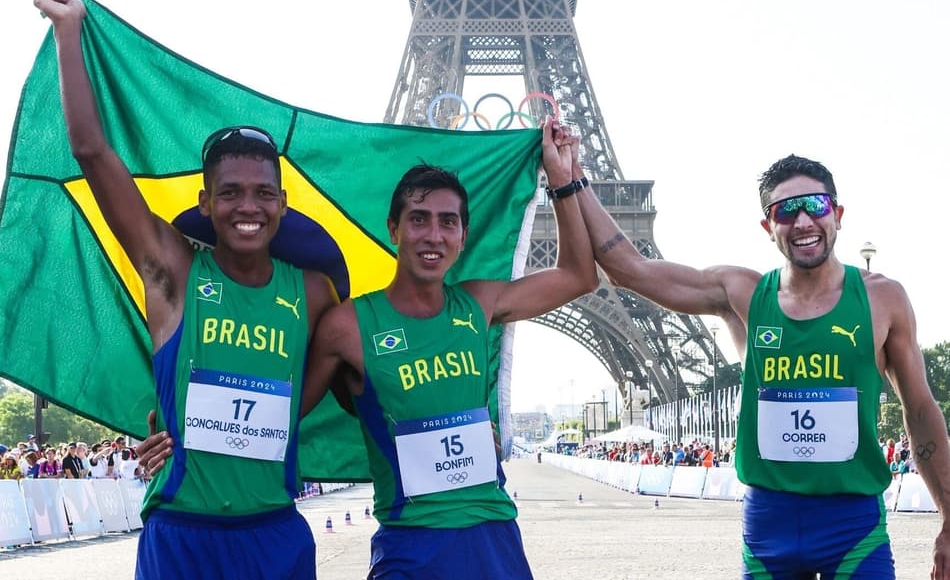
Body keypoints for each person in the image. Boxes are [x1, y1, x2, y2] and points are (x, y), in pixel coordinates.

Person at [36, 0, 340, 579]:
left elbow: (336, 374)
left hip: (273, 533)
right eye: (230, 193)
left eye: (262, 193)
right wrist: (67, 31)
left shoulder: (312, 293)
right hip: (182, 534)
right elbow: (91, 152)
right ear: (205, 202)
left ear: (282, 204)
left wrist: (200, 422)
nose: (247, 206)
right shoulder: (173, 273)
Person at [574, 150, 950, 579]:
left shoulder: (883, 298)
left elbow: (920, 411)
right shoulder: (743, 294)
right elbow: (628, 269)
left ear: (838, 214)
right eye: (785, 210)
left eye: (816, 205)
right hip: (770, 525)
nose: (803, 220)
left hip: (853, 525)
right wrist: (573, 179)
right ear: (768, 227)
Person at [299, 118, 597, 579]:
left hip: (492, 536)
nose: (433, 235)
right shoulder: (347, 327)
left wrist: (560, 178)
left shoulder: (478, 303)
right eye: (419, 219)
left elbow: (580, 275)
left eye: (448, 222)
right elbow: (285, 415)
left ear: (463, 235)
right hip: (411, 544)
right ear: (393, 229)